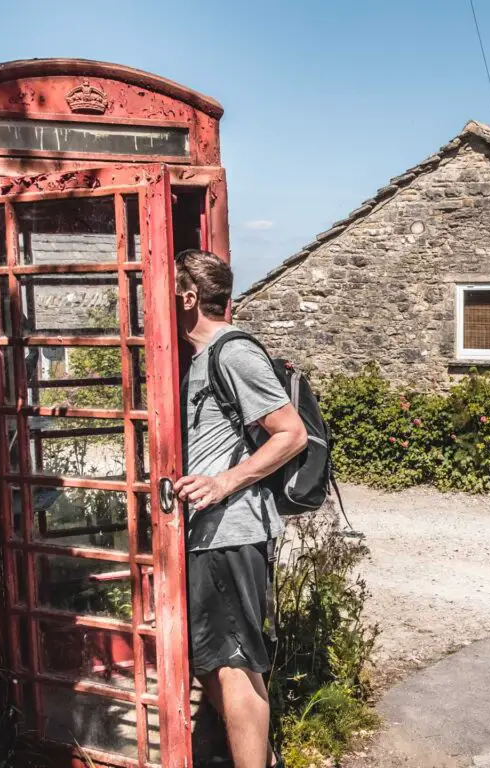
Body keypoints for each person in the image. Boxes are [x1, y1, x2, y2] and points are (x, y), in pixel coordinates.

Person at [172, 249, 307, 768]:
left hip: (231, 532)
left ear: (188, 297)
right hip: (206, 534)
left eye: (167, 287)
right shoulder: (201, 357)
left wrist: (223, 481)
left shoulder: (232, 352)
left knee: (232, 665)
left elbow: (290, 434)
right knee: (213, 660)